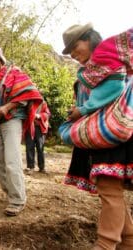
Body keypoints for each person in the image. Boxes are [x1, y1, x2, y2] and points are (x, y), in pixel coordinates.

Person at [60, 23, 133, 249]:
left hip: (112, 136)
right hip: (106, 136)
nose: (73, 54)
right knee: (110, 193)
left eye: (75, 46)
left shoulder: (105, 63)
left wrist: (82, 110)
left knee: (110, 192)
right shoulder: (97, 67)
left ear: (90, 38)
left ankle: (105, 244)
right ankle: (128, 243)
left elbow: (110, 91)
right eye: (69, 51)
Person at [0, 44, 43, 216]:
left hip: (12, 120)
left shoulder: (14, 74)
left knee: (12, 162)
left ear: (1, 60)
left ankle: (17, 199)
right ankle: (12, 192)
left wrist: (8, 106)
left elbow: (28, 94)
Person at [25, 100, 50, 174]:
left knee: (40, 148)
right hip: (29, 127)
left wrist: (39, 115)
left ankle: (42, 167)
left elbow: (47, 114)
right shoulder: (28, 102)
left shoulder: (43, 103)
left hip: (40, 128)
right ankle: (31, 167)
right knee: (29, 147)